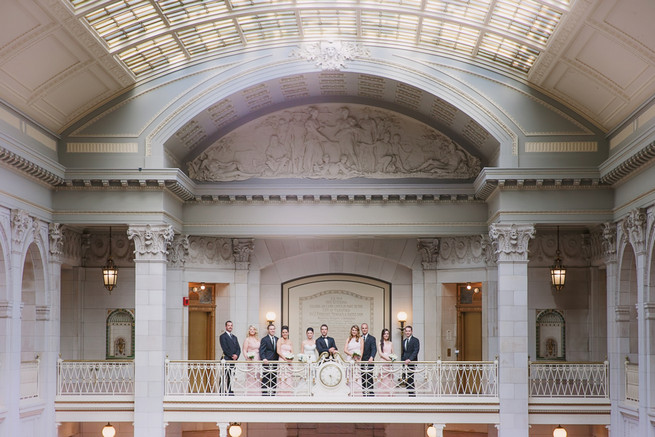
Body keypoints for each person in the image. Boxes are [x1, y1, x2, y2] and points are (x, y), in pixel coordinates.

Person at [219, 320, 240, 394]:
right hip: (226, 359)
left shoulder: (234, 337)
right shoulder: (222, 336)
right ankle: (222, 391)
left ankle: (230, 390)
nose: (230, 327)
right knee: (223, 376)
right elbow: (225, 348)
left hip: (233, 360)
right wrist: (232, 355)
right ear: (226, 327)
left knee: (231, 376)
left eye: (231, 325)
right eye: (229, 325)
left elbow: (238, 348)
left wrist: (237, 355)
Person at [259, 324, 279, 396]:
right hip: (267, 362)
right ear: (268, 330)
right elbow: (262, 351)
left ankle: (273, 394)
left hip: (275, 362)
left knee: (274, 379)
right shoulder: (264, 339)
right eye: (271, 329)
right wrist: (264, 358)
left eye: (273, 329)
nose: (272, 330)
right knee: (265, 378)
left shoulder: (277, 339)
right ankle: (264, 394)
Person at [401, 325, 420, 396]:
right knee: (406, 380)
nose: (407, 332)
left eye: (409, 331)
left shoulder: (415, 340)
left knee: (410, 379)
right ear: (405, 332)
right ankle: (410, 394)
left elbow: (416, 351)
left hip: (411, 363)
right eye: (406, 331)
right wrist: (402, 361)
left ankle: (412, 395)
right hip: (404, 363)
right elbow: (403, 352)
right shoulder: (404, 341)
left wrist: (410, 359)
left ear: (411, 331)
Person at [360, 323, 377, 396]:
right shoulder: (359, 338)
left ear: (368, 329)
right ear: (361, 329)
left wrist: (372, 357)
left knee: (369, 377)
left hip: (369, 361)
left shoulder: (372, 338)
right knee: (362, 377)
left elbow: (374, 349)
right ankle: (364, 393)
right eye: (363, 328)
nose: (364, 329)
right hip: (361, 361)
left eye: (365, 328)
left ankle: (371, 393)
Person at [243, 325, 261, 395]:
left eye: (253, 329)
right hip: (251, 358)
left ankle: (257, 391)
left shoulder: (258, 339)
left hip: (258, 357)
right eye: (251, 329)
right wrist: (247, 358)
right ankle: (250, 392)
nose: (252, 330)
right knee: (251, 374)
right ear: (249, 331)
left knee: (257, 374)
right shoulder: (247, 339)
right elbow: (244, 350)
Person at [277, 325, 294, 395]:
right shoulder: (279, 340)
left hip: (289, 361)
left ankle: (288, 393)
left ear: (288, 333)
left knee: (288, 376)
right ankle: (281, 393)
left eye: (286, 332)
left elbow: (292, 352)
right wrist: (285, 359)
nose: (284, 334)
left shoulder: (290, 341)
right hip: (282, 359)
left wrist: (291, 358)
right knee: (282, 376)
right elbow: (278, 351)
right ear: (281, 333)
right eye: (283, 332)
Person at [378, 328, 395, 396]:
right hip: (383, 362)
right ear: (382, 335)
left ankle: (389, 394)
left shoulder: (391, 343)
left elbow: (393, 353)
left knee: (389, 379)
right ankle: (382, 395)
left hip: (389, 363)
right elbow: (380, 353)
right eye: (385, 334)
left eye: (387, 334)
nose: (386, 335)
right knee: (383, 379)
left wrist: (393, 358)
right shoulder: (380, 343)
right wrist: (387, 359)